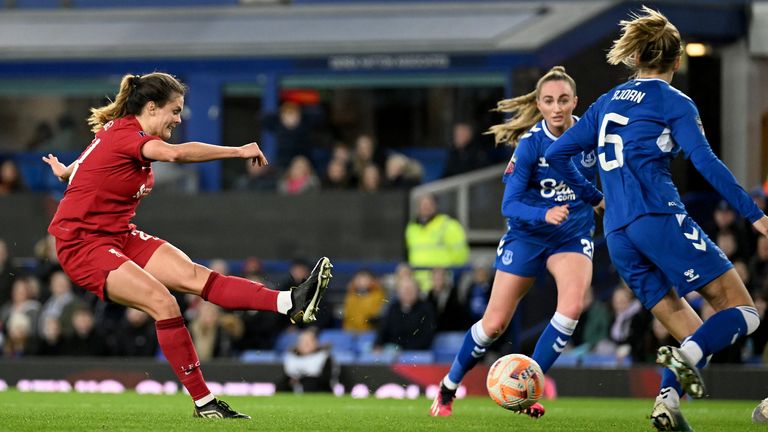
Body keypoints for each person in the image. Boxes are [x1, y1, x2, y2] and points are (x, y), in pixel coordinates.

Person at [41, 72, 333, 419]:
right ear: (151, 107)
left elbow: (89, 161)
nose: (179, 119)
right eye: (175, 110)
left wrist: (66, 173)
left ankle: (290, 302)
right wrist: (238, 150)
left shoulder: (116, 133)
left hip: (117, 234)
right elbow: (177, 156)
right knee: (164, 304)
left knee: (196, 276)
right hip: (82, 245)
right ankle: (204, 403)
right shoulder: (129, 137)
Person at [544, 7, 765, 431]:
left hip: (619, 235)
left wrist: (596, 196)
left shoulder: (607, 101)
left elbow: (555, 153)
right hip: (658, 217)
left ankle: (669, 406)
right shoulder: (672, 101)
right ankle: (671, 386)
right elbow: (706, 161)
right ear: (676, 62)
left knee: (697, 335)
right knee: (744, 311)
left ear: (636, 58)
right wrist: (754, 214)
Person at [430, 66, 601, 418]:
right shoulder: (530, 145)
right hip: (528, 235)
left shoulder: (591, 135)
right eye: (549, 101)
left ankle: (527, 388)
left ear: (575, 102)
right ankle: (447, 389)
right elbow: (509, 204)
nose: (557, 108)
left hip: (571, 236)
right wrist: (545, 214)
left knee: (571, 308)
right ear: (539, 104)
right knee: (494, 324)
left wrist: (602, 197)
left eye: (564, 100)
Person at [405, 193, 469, 293]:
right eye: (422, 204)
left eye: (428, 204)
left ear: (435, 205)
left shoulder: (448, 225)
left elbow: (461, 255)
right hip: (418, 285)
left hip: (441, 285)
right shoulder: (412, 227)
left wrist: (451, 276)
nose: (425, 208)